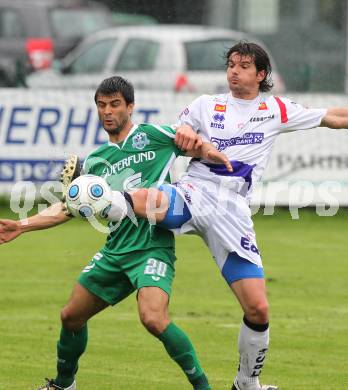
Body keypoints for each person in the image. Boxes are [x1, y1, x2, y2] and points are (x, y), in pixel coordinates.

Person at [99, 41, 348, 390]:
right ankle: (95, 196)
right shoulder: (206, 104)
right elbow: (181, 130)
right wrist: (187, 133)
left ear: (261, 74)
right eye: (231, 64)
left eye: (244, 66)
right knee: (141, 199)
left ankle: (247, 383)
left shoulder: (276, 108)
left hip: (232, 212)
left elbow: (334, 118)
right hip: (195, 191)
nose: (234, 71)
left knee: (258, 309)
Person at [0, 76, 232, 390]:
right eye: (101, 105)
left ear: (130, 107)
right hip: (114, 251)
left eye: (114, 104)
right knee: (70, 316)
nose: (107, 111)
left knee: (153, 318)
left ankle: (204, 387)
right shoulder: (96, 161)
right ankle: (64, 384)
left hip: (151, 246)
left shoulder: (152, 136)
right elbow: (67, 207)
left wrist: (210, 151)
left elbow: (190, 142)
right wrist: (21, 225)